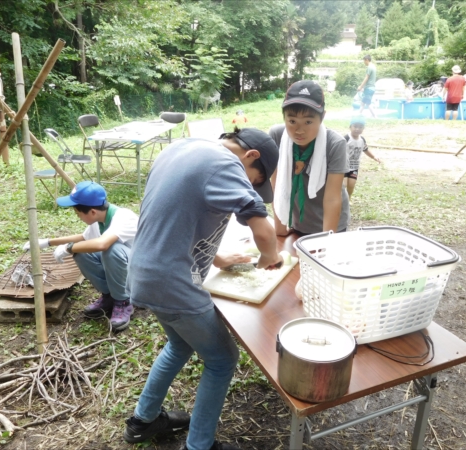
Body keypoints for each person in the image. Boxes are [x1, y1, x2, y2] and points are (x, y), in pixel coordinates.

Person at [124, 128, 282, 450]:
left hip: (143, 273)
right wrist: (270, 257)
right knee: (223, 359)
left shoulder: (181, 148)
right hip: (173, 283)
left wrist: (217, 257)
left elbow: (172, 215)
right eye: (255, 180)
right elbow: (264, 231)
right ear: (251, 156)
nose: (249, 185)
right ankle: (199, 446)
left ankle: (143, 421)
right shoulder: (226, 163)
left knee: (180, 346)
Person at [23, 181, 138, 331]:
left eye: (78, 213)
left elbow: (102, 244)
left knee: (112, 249)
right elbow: (83, 239)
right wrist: (47, 242)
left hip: (141, 272)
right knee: (82, 251)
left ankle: (123, 301)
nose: (78, 217)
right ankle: (110, 296)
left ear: (92, 212)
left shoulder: (124, 217)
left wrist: (69, 248)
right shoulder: (99, 219)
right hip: (125, 269)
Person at [268, 80, 350, 237]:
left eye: (308, 122)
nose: (299, 130)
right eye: (292, 121)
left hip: (331, 225)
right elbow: (276, 184)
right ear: (284, 116)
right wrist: (279, 226)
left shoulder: (335, 144)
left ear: (322, 117)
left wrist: (327, 239)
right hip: (298, 221)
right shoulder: (277, 136)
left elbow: (332, 198)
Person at [343, 116, 381, 198]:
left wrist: (374, 157)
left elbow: (366, 150)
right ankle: (341, 201)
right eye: (355, 126)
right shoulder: (346, 138)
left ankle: (348, 199)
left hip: (354, 167)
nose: (357, 129)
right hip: (343, 166)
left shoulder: (362, 140)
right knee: (344, 185)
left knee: (351, 185)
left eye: (360, 127)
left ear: (363, 128)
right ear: (350, 127)